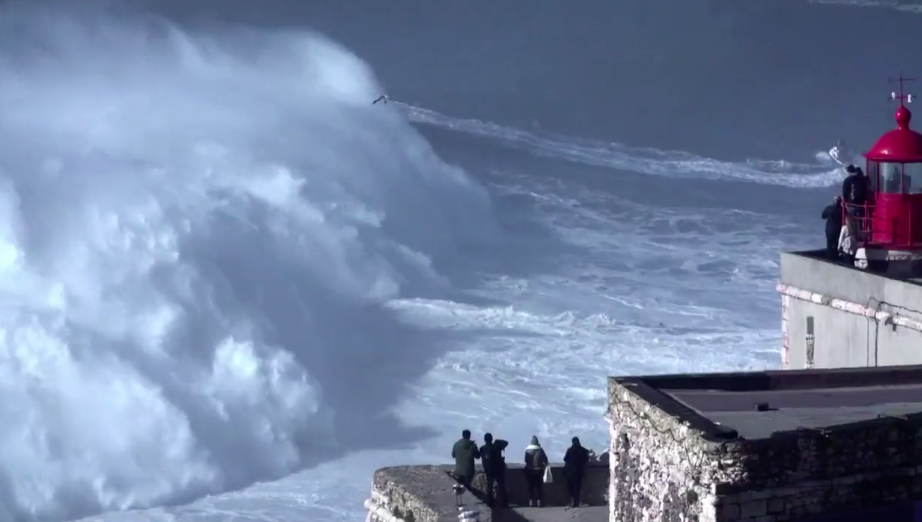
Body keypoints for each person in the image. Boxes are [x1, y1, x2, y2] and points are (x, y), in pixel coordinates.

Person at [479, 433, 509, 508]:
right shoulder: (496, 446)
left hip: (488, 470)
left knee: (490, 486)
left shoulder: (482, 448)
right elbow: (506, 443)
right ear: (491, 439)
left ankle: (490, 503)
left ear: (484, 440)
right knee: (502, 486)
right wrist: (497, 441)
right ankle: (504, 503)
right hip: (498, 469)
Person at [563, 437, 590, 508]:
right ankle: (577, 502)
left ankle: (572, 502)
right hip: (578, 471)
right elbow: (586, 459)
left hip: (569, 472)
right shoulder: (582, 450)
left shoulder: (569, 450)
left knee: (570, 487)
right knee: (577, 488)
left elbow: (565, 459)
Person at [524, 436, 549, 507]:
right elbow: (545, 460)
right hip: (539, 470)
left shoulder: (527, 450)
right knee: (539, 487)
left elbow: (525, 460)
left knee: (530, 486)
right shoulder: (540, 450)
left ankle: (531, 501)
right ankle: (539, 501)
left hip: (529, 470)